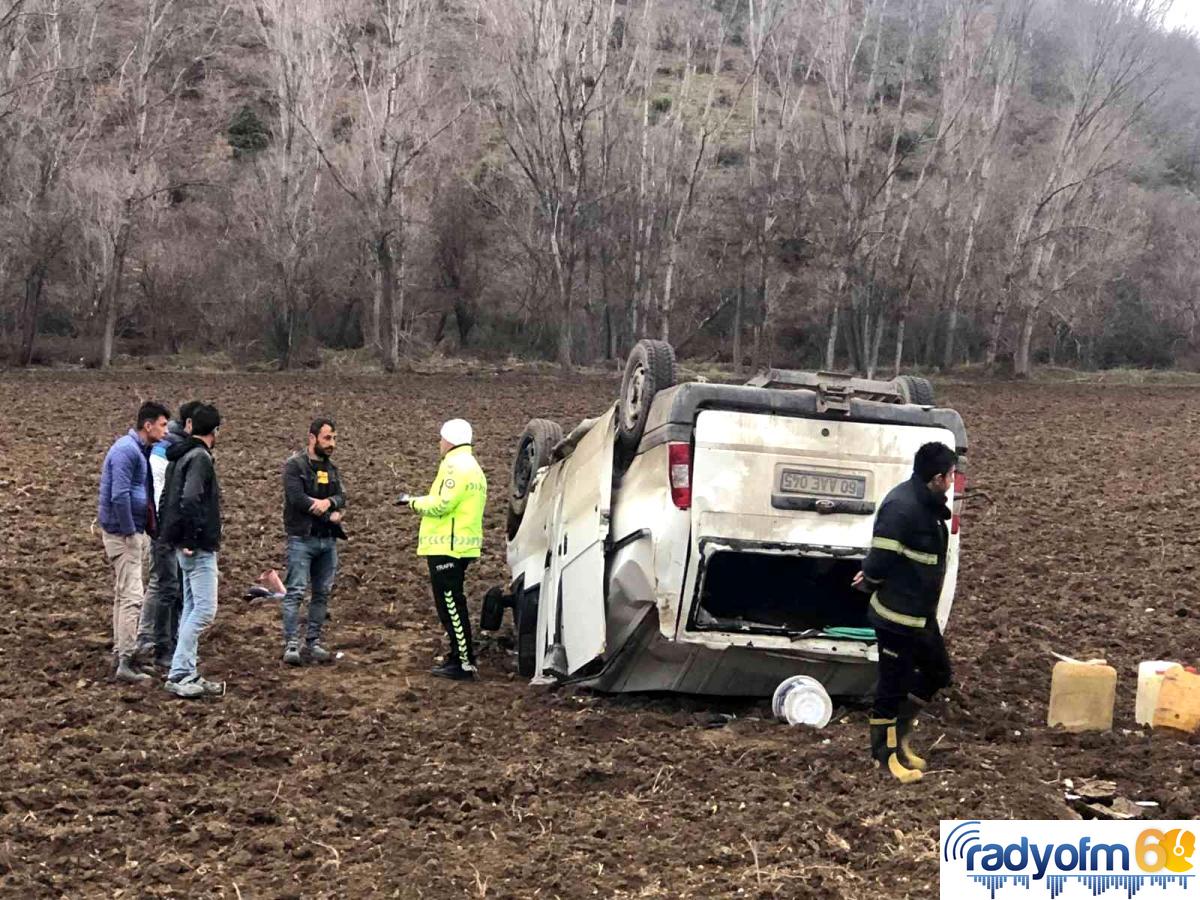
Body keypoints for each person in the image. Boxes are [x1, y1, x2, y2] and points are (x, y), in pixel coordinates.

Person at [854, 442, 957, 784]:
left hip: (920, 616)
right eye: (951, 475)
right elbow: (881, 558)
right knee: (891, 688)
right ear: (938, 478)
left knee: (938, 673)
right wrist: (869, 578)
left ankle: (901, 737)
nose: (953, 481)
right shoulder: (902, 507)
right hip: (896, 618)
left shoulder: (927, 505)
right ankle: (884, 757)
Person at [398, 419, 487, 681]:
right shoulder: (474, 468)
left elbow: (441, 504)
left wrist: (411, 502)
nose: (440, 443)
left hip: (447, 546)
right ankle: (458, 656)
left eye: (441, 438)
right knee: (453, 602)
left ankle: (463, 661)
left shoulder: (454, 466)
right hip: (462, 545)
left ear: (449, 440)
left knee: (450, 604)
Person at [98, 401, 170, 684]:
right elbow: (119, 495)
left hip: (130, 531)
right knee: (132, 596)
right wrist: (130, 531)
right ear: (148, 425)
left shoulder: (137, 450)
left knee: (123, 593)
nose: (166, 431)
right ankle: (126, 661)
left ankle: (122, 653)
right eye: (163, 425)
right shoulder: (128, 451)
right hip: (124, 534)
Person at [158, 403, 224, 699]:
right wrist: (192, 537)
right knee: (205, 611)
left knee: (190, 609)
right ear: (215, 431)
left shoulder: (181, 455)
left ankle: (185, 670)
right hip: (196, 547)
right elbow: (190, 500)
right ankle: (180, 674)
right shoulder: (200, 459)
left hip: (182, 544)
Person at [133, 400, 201, 669]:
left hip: (166, 527)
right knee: (166, 585)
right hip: (163, 529)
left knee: (167, 585)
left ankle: (160, 640)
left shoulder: (174, 446)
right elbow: (163, 491)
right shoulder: (168, 449)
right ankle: (154, 641)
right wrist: (166, 529)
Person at [280, 417, 347, 666]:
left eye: (334, 438)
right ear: (312, 438)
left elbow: (341, 496)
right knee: (296, 591)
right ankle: (291, 644)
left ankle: (314, 641)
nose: (332, 444)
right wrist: (322, 508)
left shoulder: (331, 469)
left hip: (327, 540)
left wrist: (329, 504)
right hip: (302, 539)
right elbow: (296, 498)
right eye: (327, 438)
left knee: (322, 592)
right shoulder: (294, 466)